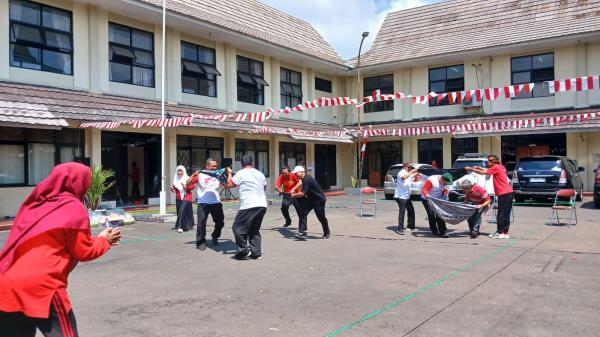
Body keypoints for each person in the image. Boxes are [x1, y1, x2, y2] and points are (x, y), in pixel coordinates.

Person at [0, 162, 121, 337]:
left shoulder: (36, 204)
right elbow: (83, 251)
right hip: (43, 285)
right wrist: (104, 240)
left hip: (7, 282)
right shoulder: (73, 208)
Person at [225, 155, 268, 260]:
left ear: (242, 164)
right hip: (262, 204)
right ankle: (256, 253)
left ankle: (243, 251)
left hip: (249, 205)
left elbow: (230, 184)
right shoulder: (260, 174)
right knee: (254, 229)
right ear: (252, 163)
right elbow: (264, 187)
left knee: (237, 228)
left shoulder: (241, 173)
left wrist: (230, 173)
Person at [466, 155, 514, 239]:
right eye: (488, 160)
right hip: (509, 192)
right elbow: (486, 170)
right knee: (506, 214)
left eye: (490, 161)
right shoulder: (501, 166)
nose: (488, 162)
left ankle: (499, 232)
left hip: (503, 193)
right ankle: (505, 233)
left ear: (494, 161)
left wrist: (471, 169)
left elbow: (484, 173)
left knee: (501, 214)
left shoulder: (496, 167)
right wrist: (478, 167)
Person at [187, 158, 226, 251]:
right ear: (207, 166)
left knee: (220, 222)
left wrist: (226, 176)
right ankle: (201, 242)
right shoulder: (200, 174)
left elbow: (226, 184)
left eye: (216, 166)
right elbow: (187, 183)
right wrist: (193, 174)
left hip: (215, 202)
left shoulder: (218, 174)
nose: (215, 167)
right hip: (203, 203)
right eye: (213, 166)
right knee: (201, 223)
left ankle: (215, 236)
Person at [291, 166, 331, 240]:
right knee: (302, 212)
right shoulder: (303, 178)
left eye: (296, 173)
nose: (295, 175)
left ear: (302, 172)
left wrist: (294, 195)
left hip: (319, 200)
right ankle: (302, 233)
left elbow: (302, 194)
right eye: (295, 174)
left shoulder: (307, 179)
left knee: (321, 217)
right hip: (310, 200)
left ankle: (327, 232)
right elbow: (301, 185)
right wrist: (293, 189)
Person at [421, 173, 453, 238]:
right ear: (442, 179)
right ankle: (434, 230)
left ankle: (442, 232)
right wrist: (427, 196)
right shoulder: (432, 180)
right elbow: (424, 189)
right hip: (427, 199)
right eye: (446, 183)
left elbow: (445, 190)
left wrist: (445, 194)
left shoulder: (445, 182)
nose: (446, 184)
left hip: (438, 199)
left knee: (440, 214)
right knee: (431, 214)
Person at [395, 165, 418, 234]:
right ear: (405, 167)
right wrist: (411, 171)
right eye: (409, 167)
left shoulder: (409, 174)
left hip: (407, 197)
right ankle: (400, 228)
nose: (411, 168)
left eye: (411, 167)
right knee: (402, 211)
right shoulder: (401, 172)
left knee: (411, 210)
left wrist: (418, 171)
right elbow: (404, 177)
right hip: (400, 196)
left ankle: (410, 226)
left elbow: (413, 175)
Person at [171, 165, 194, 233]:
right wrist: (172, 189)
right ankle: (187, 226)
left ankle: (180, 226)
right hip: (178, 198)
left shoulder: (188, 178)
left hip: (187, 197)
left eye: (181, 171)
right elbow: (175, 188)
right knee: (180, 212)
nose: (179, 172)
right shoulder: (175, 179)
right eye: (178, 171)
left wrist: (186, 187)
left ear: (184, 171)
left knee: (182, 211)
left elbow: (192, 186)